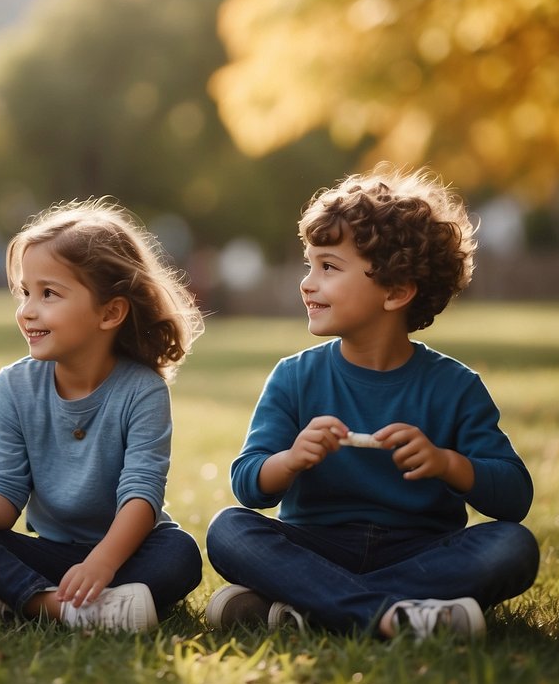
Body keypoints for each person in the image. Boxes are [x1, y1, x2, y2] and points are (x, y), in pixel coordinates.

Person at [204, 165, 539, 641]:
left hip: (420, 552)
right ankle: (392, 614)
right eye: (309, 264)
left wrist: (447, 463)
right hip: (316, 547)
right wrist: (292, 458)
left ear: (397, 291)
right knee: (229, 530)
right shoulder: (294, 378)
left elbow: (514, 498)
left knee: (512, 546)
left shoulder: (455, 387)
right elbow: (249, 487)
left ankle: (315, 606)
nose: (307, 283)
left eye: (329, 267)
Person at [0, 198, 205, 632]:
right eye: (25, 292)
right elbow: (6, 499)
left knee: (181, 555)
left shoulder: (143, 391)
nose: (27, 310)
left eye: (49, 294)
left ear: (110, 312)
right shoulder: (11, 388)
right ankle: (59, 607)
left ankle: (13, 597)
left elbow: (142, 494)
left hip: (128, 549)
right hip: (54, 552)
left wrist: (102, 563)